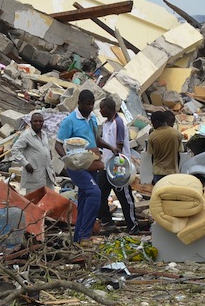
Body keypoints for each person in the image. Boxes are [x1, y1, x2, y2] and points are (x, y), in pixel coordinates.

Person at [55, 89, 102, 244]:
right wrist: (67, 160)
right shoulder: (70, 121)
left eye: (92, 104)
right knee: (94, 193)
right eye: (87, 104)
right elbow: (58, 144)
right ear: (79, 103)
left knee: (84, 199)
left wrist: (111, 148)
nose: (90, 107)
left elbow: (96, 139)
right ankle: (85, 235)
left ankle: (77, 239)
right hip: (76, 165)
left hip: (91, 163)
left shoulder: (93, 119)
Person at [96, 96, 141, 234]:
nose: (100, 110)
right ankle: (106, 220)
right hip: (106, 165)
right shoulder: (106, 123)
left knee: (124, 197)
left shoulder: (118, 123)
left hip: (118, 166)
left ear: (109, 108)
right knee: (99, 194)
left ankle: (132, 224)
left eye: (102, 108)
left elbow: (119, 146)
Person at [10, 112, 55, 194]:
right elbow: (15, 150)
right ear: (30, 122)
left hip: (47, 173)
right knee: (34, 198)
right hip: (34, 174)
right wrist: (25, 164)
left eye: (40, 121)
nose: (38, 123)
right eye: (35, 121)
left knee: (49, 197)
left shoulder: (44, 134)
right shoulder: (26, 135)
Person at [148, 110, 183, 185]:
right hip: (172, 172)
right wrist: (177, 170)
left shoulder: (152, 136)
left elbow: (152, 157)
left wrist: (153, 172)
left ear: (157, 122)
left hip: (158, 173)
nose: (153, 126)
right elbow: (178, 155)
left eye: (153, 123)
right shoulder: (177, 134)